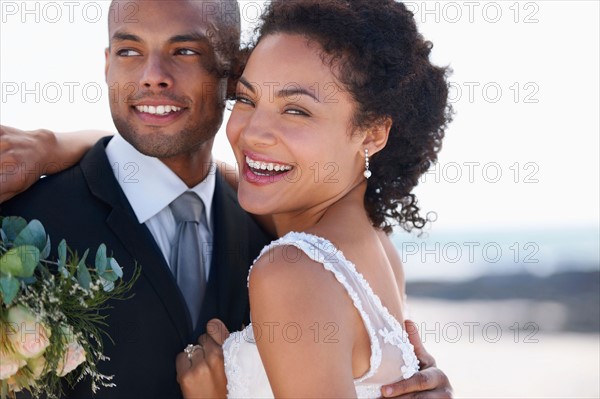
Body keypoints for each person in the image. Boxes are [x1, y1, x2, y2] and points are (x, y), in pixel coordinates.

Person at [0, 0, 452, 397]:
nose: (153, 76)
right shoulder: (17, 230)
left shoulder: (287, 253)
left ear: (230, 70)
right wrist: (57, 143)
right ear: (107, 63)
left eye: (186, 51)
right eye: (129, 50)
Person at [173, 0, 452, 397]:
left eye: (296, 111)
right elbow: (190, 166)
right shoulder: (376, 247)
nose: (253, 133)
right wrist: (72, 146)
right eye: (247, 99)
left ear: (371, 133)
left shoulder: (292, 270)